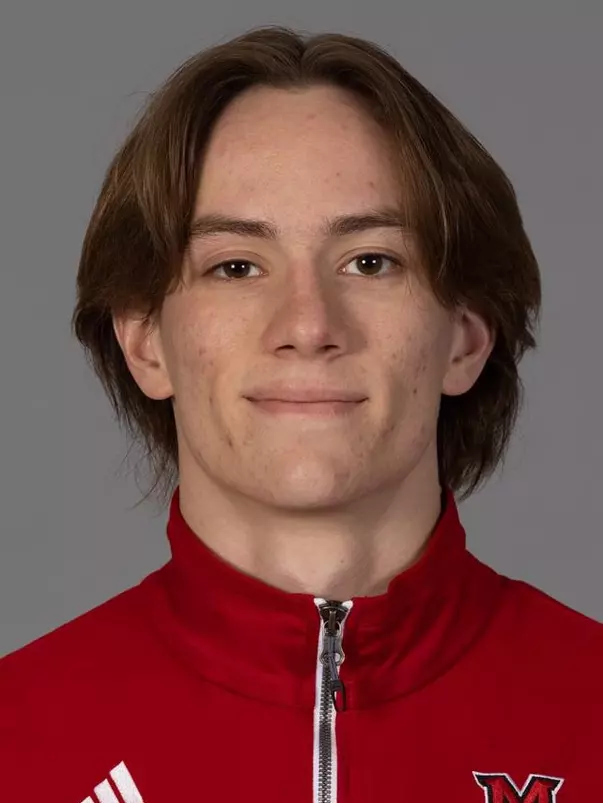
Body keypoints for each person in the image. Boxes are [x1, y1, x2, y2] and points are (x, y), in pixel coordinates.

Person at [1, 24, 601, 803]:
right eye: (236, 266)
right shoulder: (17, 739)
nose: (308, 323)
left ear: (464, 336)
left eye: (370, 261)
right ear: (144, 341)